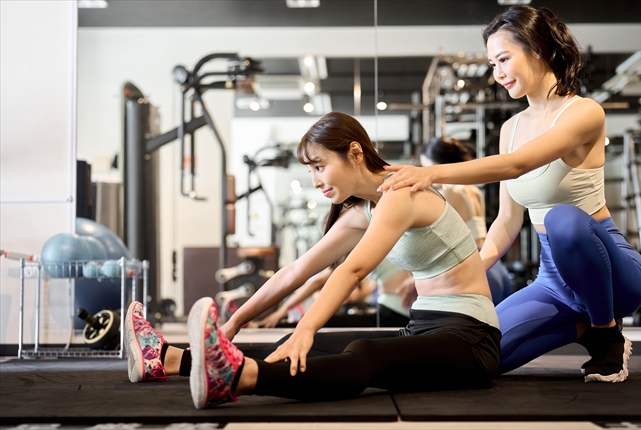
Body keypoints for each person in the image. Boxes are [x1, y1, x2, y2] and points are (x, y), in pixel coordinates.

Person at [125, 111, 501, 409]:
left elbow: (354, 270)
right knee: (297, 342)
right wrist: (235, 322)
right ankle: (169, 359)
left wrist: (309, 327)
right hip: (424, 328)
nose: (315, 180)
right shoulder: (361, 210)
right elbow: (296, 271)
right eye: (310, 170)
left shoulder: (400, 193)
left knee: (361, 352)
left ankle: (237, 379)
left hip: (470, 339)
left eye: (319, 166)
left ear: (355, 153)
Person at [378, 5, 641, 383]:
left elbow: (517, 165)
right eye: (491, 64)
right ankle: (582, 329)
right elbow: (506, 221)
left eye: (504, 58)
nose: (498, 73)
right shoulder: (511, 128)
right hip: (553, 280)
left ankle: (606, 334)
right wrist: (462, 272)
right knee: (480, 355)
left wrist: (431, 173)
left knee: (562, 219)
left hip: (611, 273)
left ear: (539, 48)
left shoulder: (584, 113)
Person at [421, 136, 513, 305]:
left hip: (473, 265)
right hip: (495, 265)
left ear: (438, 165)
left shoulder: (450, 193)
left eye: (426, 167)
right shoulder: (473, 189)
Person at [257, 258, 412, 329]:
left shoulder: (361, 245)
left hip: (396, 312)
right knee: (327, 321)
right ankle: (274, 324)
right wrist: (285, 309)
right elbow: (316, 282)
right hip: (394, 308)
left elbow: (317, 282)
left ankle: (273, 325)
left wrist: (284, 310)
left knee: (327, 322)